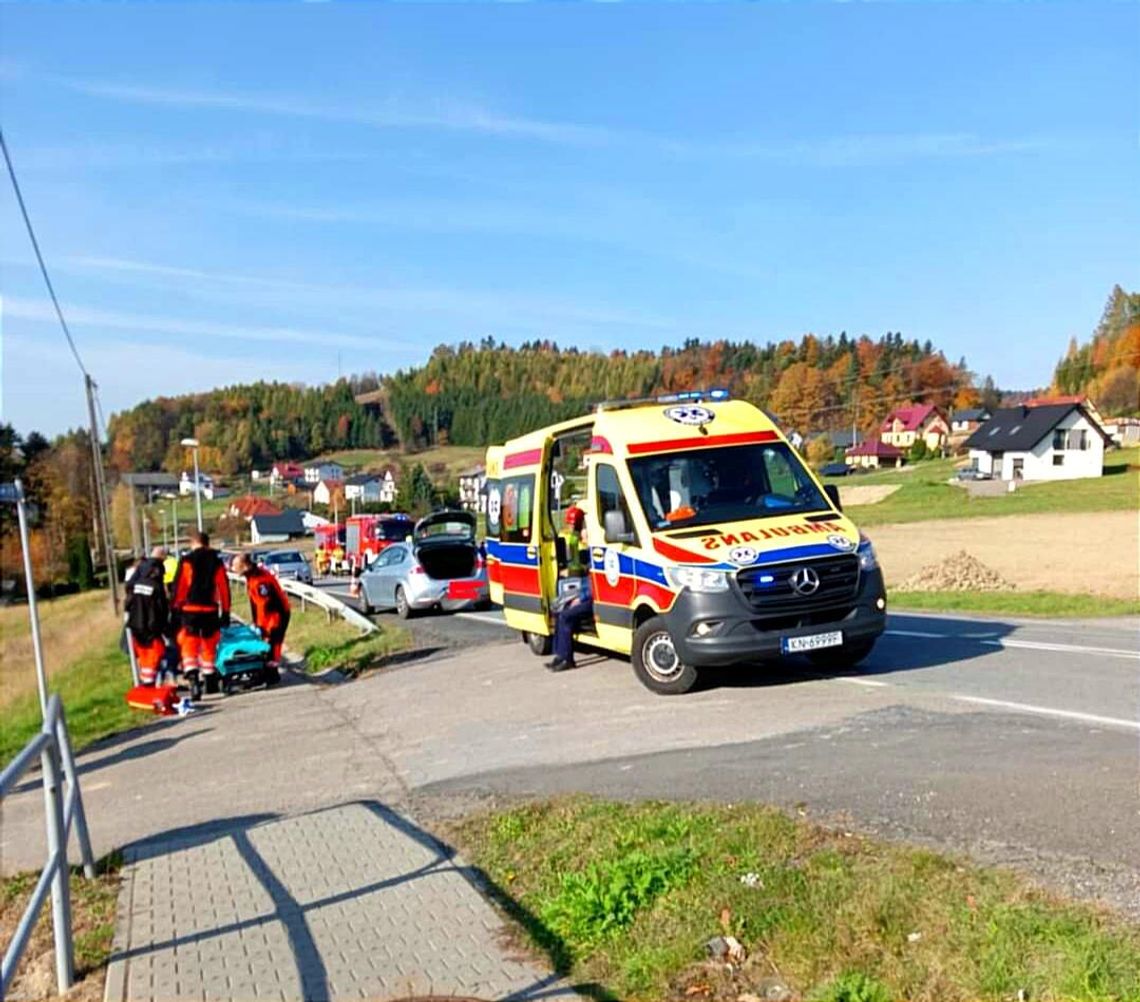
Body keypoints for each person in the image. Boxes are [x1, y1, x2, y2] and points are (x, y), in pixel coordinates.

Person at [171, 530, 231, 694]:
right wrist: (225, 611)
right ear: (208, 543)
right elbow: (223, 588)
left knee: (189, 644)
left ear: (193, 543)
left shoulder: (187, 561)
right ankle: (210, 678)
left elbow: (180, 587)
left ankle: (192, 678)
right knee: (209, 644)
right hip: (210, 609)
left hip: (190, 609)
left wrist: (175, 608)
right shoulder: (216, 562)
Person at [233, 554, 290, 682]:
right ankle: (268, 670)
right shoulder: (252, 576)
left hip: (276, 614)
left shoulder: (259, 579)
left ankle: (272, 673)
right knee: (267, 641)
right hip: (269, 614)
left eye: (236, 566)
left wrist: (261, 626)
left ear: (244, 566)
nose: (233, 569)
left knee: (273, 642)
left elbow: (264, 605)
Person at [546, 524, 594, 672]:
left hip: (592, 600)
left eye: (584, 533)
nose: (582, 536)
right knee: (560, 613)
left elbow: (593, 585)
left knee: (566, 616)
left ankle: (567, 659)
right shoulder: (588, 552)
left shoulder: (596, 554)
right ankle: (560, 656)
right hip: (585, 596)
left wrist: (580, 598)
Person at [124, 546, 171, 686]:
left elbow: (129, 598)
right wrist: (165, 627)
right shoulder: (156, 583)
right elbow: (161, 608)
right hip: (152, 625)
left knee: (143, 654)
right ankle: (150, 682)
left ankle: (146, 681)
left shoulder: (138, 575)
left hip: (135, 622)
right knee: (155, 652)